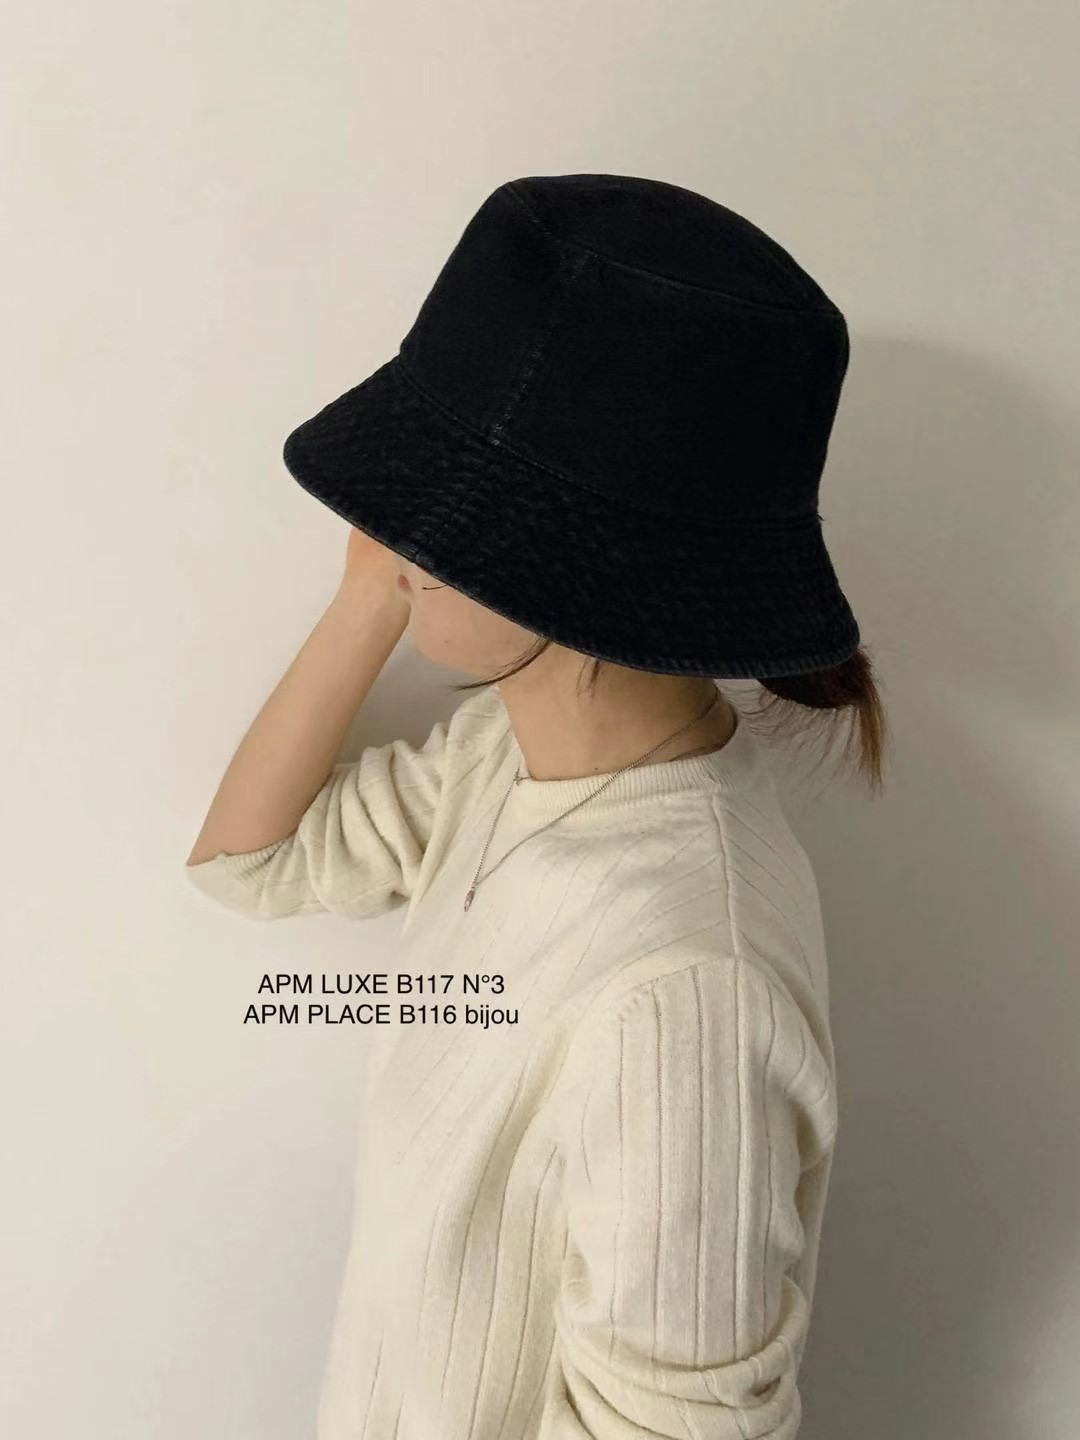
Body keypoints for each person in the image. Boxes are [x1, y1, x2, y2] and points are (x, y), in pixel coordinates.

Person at [185, 173, 888, 1439]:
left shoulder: (685, 989)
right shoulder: (501, 759)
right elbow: (251, 861)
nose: (392, 534)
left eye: (437, 504)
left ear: (579, 570)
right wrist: (369, 597)